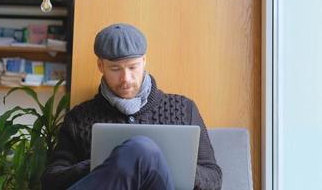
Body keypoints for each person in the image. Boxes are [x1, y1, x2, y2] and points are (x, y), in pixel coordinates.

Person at [42, 23, 222, 190]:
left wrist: (167, 165)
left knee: (142, 149)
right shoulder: (79, 118)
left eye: (133, 67)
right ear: (100, 65)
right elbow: (51, 180)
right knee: (138, 150)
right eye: (115, 69)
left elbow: (214, 177)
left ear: (144, 61)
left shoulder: (183, 109)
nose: (126, 79)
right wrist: (106, 165)